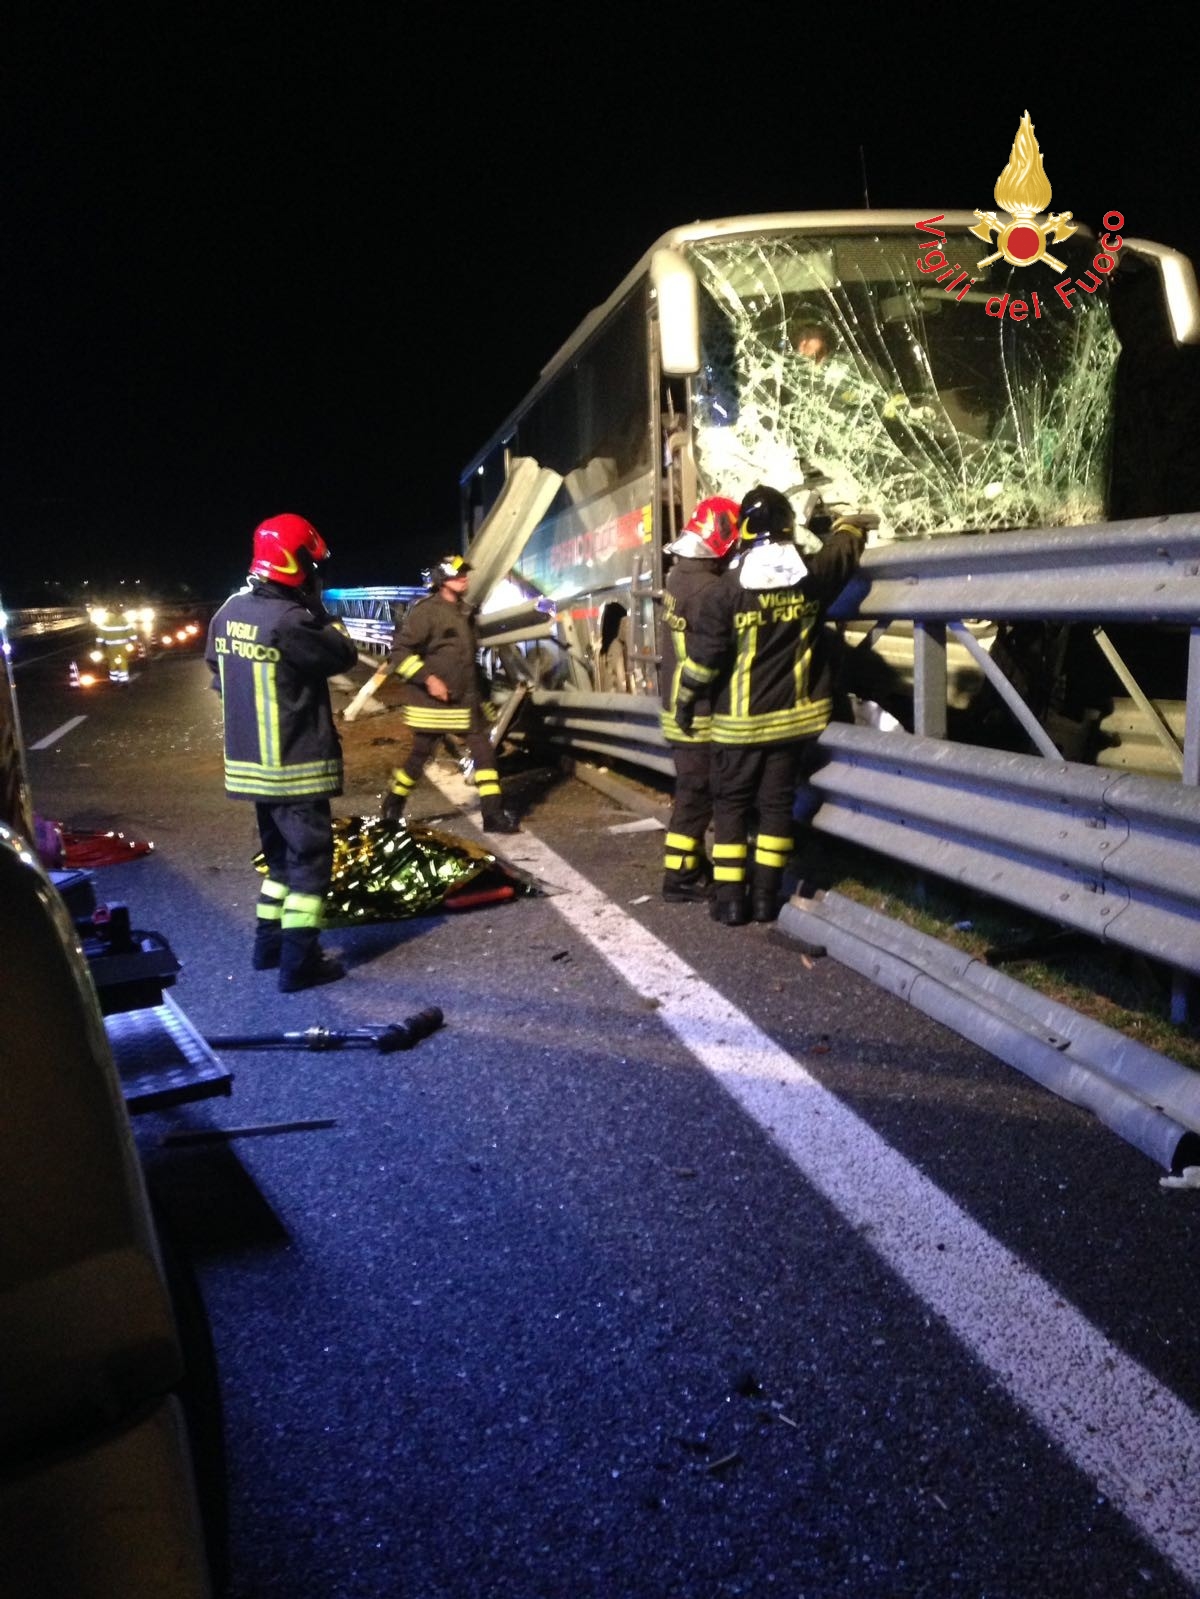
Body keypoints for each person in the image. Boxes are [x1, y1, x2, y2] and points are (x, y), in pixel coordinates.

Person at [674, 485, 869, 926]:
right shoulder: (809, 579)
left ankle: (729, 903)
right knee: (777, 808)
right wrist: (849, 529)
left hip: (738, 729)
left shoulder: (725, 592)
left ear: (743, 530)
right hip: (792, 726)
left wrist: (687, 701)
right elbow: (841, 557)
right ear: (786, 527)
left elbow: (703, 663)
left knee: (730, 812)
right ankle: (765, 900)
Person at [205, 513, 359, 992]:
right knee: (310, 864)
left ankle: (267, 947)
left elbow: (216, 671)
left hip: (250, 768)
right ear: (297, 565)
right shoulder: (292, 622)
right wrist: (319, 610)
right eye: (313, 566)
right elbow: (342, 655)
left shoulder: (227, 612)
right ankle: (300, 962)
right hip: (295, 765)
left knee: (278, 865)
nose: (317, 575)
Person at [381, 554, 518, 833]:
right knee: (419, 757)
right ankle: (393, 804)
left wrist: (484, 700)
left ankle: (492, 815)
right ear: (442, 581)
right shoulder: (427, 612)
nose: (465, 578)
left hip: (466, 702)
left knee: (485, 756)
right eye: (458, 575)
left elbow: (470, 662)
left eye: (465, 573)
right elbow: (400, 652)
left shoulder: (466, 612)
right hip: (434, 704)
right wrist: (428, 678)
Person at [659, 496, 740, 902]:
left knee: (692, 790)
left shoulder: (679, 577)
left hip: (676, 705)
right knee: (697, 794)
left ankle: (690, 866)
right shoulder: (710, 590)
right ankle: (678, 880)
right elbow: (710, 655)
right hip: (696, 709)